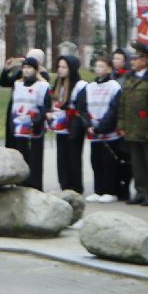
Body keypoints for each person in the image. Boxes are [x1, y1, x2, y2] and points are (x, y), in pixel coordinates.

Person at [118, 43, 148, 205]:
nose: (132, 61)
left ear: (145, 60)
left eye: (136, 59)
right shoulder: (130, 78)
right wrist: (122, 124)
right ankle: (140, 191)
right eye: (132, 58)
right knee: (137, 163)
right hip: (132, 128)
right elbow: (123, 103)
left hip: (147, 129)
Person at [84, 55, 125, 202]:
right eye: (97, 66)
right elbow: (83, 108)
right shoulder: (90, 86)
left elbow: (114, 110)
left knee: (109, 162)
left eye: (102, 66)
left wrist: (102, 127)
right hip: (94, 131)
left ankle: (111, 190)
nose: (99, 69)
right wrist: (88, 124)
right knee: (96, 161)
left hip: (108, 131)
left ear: (109, 69)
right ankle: (98, 189)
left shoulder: (114, 87)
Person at [6, 56, 50, 190]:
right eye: (24, 68)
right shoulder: (18, 84)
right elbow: (14, 103)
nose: (26, 70)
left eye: (29, 68)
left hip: (35, 126)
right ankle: (22, 182)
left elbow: (46, 106)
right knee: (22, 155)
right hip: (19, 125)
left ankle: (36, 184)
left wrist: (37, 120)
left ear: (35, 69)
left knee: (35, 157)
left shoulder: (43, 86)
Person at [48, 55, 87, 193]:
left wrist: (71, 112)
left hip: (73, 126)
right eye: (59, 67)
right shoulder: (58, 83)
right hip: (60, 126)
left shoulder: (80, 85)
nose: (61, 70)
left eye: (64, 67)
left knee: (73, 157)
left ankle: (75, 186)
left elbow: (81, 107)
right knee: (61, 157)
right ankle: (64, 184)